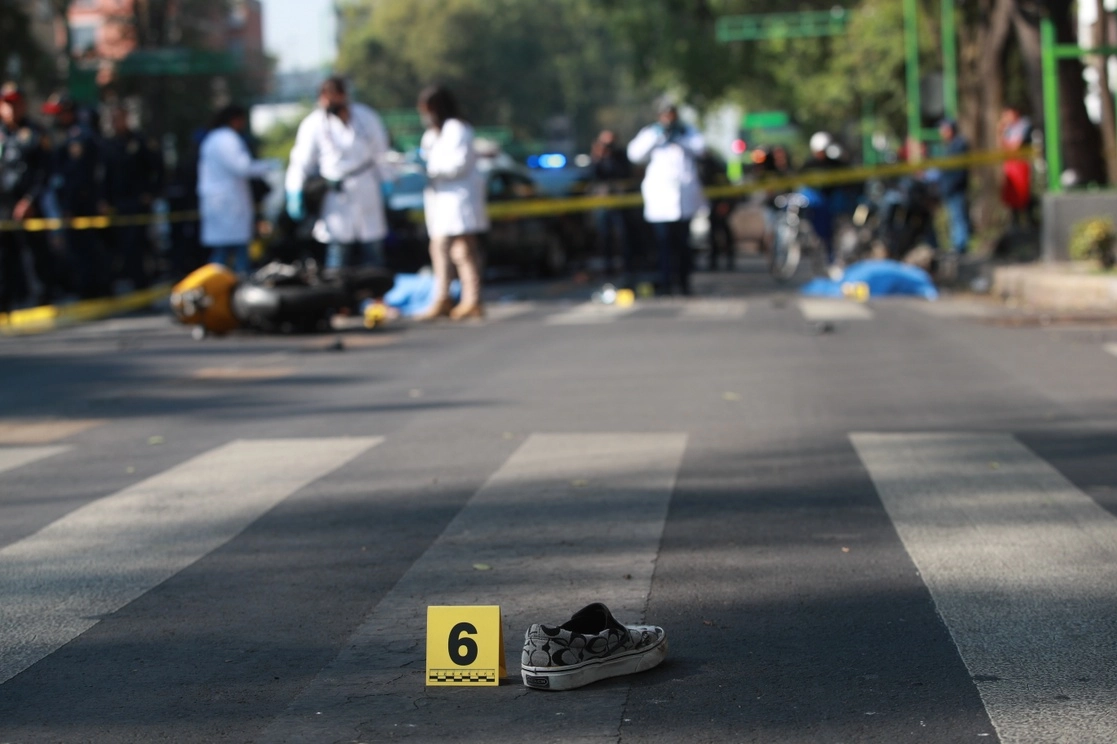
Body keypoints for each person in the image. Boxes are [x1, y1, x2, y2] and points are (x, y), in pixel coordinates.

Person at [285, 76, 390, 270]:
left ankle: (378, 296)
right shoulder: (313, 124)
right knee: (338, 250)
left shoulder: (366, 117)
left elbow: (381, 154)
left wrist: (387, 181)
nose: (329, 103)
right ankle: (339, 297)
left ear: (343, 96)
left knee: (373, 249)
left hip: (366, 186)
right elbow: (300, 162)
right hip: (335, 193)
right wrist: (294, 191)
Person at [415, 85, 488, 321]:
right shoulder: (432, 135)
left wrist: (431, 170)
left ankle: (472, 299)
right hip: (440, 201)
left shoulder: (458, 129)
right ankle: (444, 298)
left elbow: (459, 165)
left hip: (459, 199)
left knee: (463, 251)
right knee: (441, 249)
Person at [627, 103, 706, 295]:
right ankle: (666, 282)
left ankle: (684, 283)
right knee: (663, 245)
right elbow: (635, 154)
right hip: (661, 200)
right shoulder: (651, 133)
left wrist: (679, 138)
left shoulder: (687, 132)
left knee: (683, 245)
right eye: (665, 116)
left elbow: (701, 149)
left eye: (671, 116)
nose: (669, 120)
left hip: (684, 200)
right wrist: (657, 136)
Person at [0, 82, 58, 311]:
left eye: (15, 104)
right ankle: (6, 301)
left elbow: (45, 172)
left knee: (37, 253)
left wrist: (29, 200)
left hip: (28, 204)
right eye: (6, 104)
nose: (11, 109)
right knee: (4, 257)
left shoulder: (36, 133)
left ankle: (45, 297)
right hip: (3, 205)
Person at [43, 91, 107, 298]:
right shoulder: (67, 134)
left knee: (84, 248)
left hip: (80, 204)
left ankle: (91, 291)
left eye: (58, 113)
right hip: (71, 202)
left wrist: (69, 206)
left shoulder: (79, 136)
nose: (55, 118)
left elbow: (76, 177)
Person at [197, 104, 272, 275]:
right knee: (233, 253)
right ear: (235, 120)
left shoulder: (213, 139)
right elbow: (243, 167)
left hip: (222, 204)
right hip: (228, 205)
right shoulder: (227, 139)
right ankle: (235, 290)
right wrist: (268, 165)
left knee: (225, 251)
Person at [103, 106, 163, 289]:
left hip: (138, 203)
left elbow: (157, 169)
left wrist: (151, 193)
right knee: (123, 246)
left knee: (139, 244)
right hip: (119, 203)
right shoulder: (110, 144)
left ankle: (143, 285)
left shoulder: (140, 141)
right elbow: (105, 176)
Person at [589, 130, 635, 279]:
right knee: (604, 237)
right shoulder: (597, 156)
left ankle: (628, 268)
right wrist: (598, 157)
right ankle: (607, 270)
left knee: (624, 237)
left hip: (620, 202)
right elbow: (593, 175)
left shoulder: (620, 156)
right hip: (603, 203)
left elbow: (625, 173)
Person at [937, 119, 971, 254]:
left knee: (959, 217)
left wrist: (951, 185)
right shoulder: (950, 145)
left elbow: (958, 171)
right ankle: (957, 244)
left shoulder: (959, 145)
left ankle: (960, 246)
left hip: (956, 188)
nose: (941, 132)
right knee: (954, 217)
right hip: (949, 188)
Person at [999, 107, 1034, 226]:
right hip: (1010, 166)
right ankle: (1015, 222)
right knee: (1012, 196)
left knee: (1023, 194)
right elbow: (1001, 146)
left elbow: (1015, 146)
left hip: (1021, 165)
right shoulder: (1007, 129)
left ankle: (1029, 222)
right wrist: (1000, 131)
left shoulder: (1024, 125)